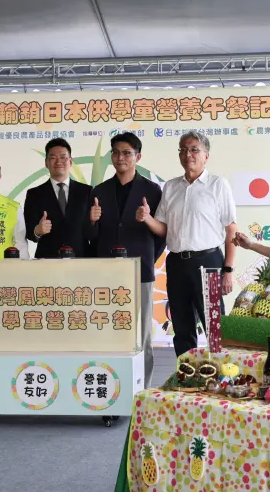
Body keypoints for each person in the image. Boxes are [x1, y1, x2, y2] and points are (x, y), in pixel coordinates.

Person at [137, 130, 237, 358]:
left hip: (209, 262)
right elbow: (163, 228)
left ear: (206, 156)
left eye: (194, 149)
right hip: (177, 264)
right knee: (181, 327)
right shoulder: (171, 186)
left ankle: (222, 376)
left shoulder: (218, 185)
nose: (187, 154)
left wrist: (228, 270)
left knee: (215, 326)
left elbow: (231, 229)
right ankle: (186, 374)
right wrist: (147, 218)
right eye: (182, 150)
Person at [90, 132, 165, 387]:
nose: (120, 157)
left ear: (138, 157)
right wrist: (92, 220)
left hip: (140, 272)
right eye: (116, 152)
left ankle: (143, 390)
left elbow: (161, 234)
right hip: (106, 273)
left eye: (127, 153)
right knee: (109, 333)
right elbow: (91, 237)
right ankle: (111, 387)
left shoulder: (152, 191)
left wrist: (146, 257)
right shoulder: (99, 191)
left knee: (142, 335)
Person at [24, 138, 93, 258]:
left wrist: (93, 221)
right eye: (53, 158)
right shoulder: (34, 194)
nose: (58, 161)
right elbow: (29, 232)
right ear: (46, 163)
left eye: (63, 157)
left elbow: (93, 233)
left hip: (81, 259)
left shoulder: (86, 191)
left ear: (70, 162)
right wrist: (38, 230)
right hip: (48, 259)